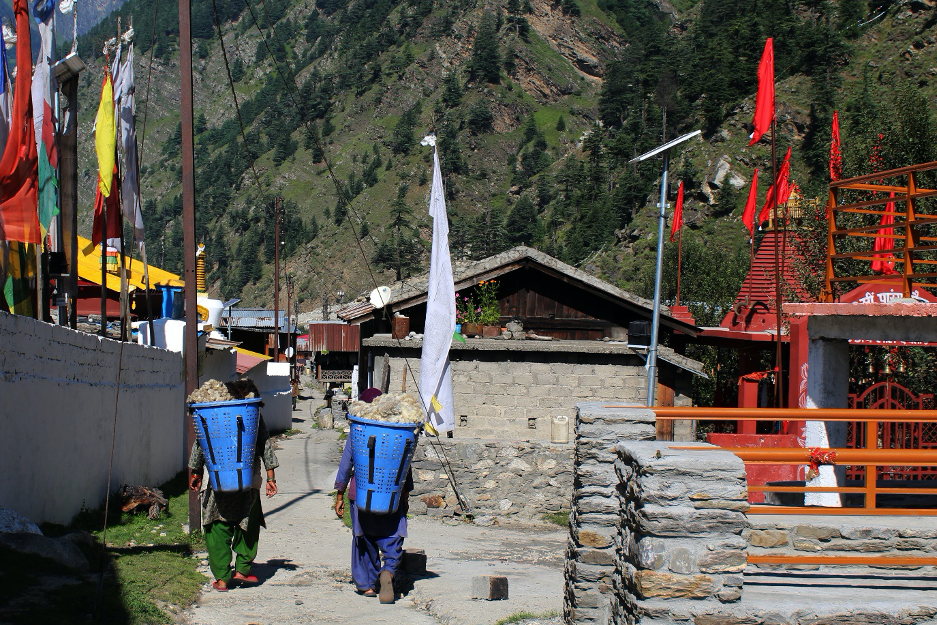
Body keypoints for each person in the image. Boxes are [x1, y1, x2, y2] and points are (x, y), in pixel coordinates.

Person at [334, 387, 413, 604]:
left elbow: (346, 464)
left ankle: (367, 585)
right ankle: (388, 570)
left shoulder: (359, 431)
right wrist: (405, 493)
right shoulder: (399, 430)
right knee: (392, 537)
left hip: (361, 494)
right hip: (391, 493)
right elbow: (406, 465)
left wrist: (339, 493)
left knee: (363, 539)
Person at [189, 416, 279, 592]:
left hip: (217, 480)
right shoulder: (251, 411)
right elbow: (265, 444)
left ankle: (222, 579)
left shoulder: (210, 412)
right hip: (248, 479)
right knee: (248, 523)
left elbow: (201, 441)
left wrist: (196, 472)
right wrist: (271, 477)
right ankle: (242, 570)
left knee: (216, 525)